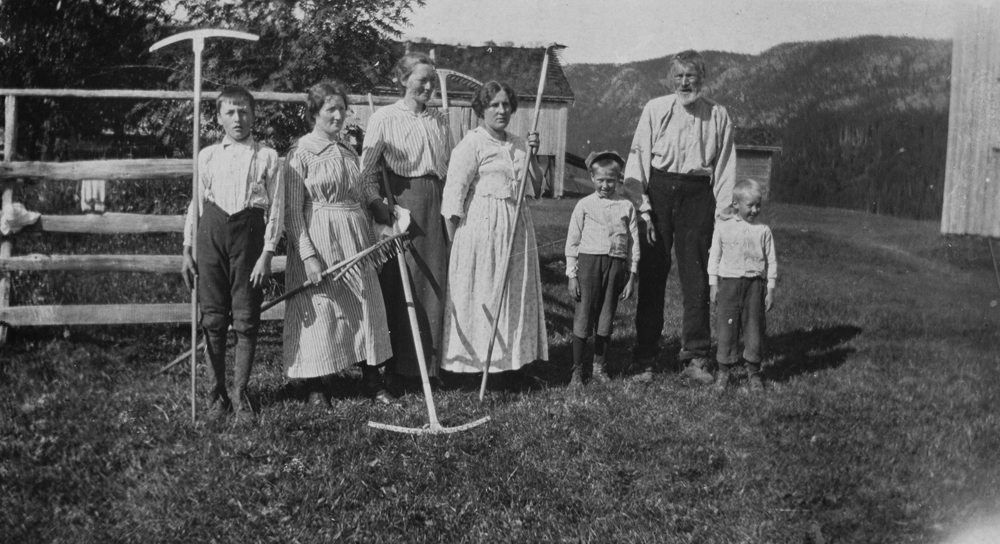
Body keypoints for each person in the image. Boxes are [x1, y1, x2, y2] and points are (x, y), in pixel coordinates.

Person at [623, 49, 736, 384]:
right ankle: (644, 355)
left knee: (697, 276)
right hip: (659, 191)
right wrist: (642, 204)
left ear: (702, 79)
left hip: (699, 194)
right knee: (653, 271)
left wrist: (725, 210)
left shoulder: (717, 114)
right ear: (670, 80)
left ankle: (697, 356)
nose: (685, 83)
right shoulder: (655, 109)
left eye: (692, 76)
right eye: (679, 77)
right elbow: (639, 157)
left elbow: (726, 166)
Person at [282, 81, 394, 406]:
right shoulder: (300, 153)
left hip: (355, 239)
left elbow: (360, 194)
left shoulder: (348, 152)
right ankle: (317, 385)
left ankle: (372, 381)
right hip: (319, 239)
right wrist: (308, 256)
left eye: (342, 108)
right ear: (313, 113)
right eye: (330, 108)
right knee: (321, 309)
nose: (338, 114)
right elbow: (291, 211)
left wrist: (378, 210)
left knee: (365, 305)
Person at [180, 85, 284, 422]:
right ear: (219, 118)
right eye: (230, 112)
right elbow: (196, 203)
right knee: (213, 318)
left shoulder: (267, 156)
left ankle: (240, 394)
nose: (238, 118)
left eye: (244, 111)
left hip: (250, 238)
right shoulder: (208, 155)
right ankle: (216, 396)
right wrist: (187, 248)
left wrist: (268, 253)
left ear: (254, 115)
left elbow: (277, 210)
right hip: (211, 235)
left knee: (246, 318)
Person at [440, 81, 548, 375]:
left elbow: (537, 188)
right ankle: (476, 366)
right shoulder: (471, 144)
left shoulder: (518, 143)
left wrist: (533, 154)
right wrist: (456, 246)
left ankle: (511, 363)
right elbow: (452, 198)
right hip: (481, 232)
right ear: (481, 109)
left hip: (516, 228)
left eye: (506, 105)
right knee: (484, 294)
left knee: (513, 294)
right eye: (494, 105)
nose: (502, 110)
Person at [360, 51, 450, 388]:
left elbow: (450, 168)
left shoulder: (439, 119)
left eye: (432, 80)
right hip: (401, 204)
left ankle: (429, 368)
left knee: (435, 283)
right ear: (402, 80)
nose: (428, 86)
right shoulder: (383, 118)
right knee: (404, 284)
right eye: (421, 79)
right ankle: (399, 369)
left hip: (436, 202)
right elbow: (365, 174)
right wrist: (378, 206)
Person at [564, 150, 639, 387]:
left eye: (611, 180)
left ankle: (598, 367)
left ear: (619, 179)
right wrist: (572, 275)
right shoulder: (584, 205)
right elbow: (572, 242)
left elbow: (633, 242)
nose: (605, 185)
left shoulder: (626, 206)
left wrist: (631, 276)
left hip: (616, 266)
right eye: (600, 180)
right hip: (588, 265)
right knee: (584, 314)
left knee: (606, 317)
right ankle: (577, 370)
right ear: (592, 178)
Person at [708, 179, 777, 392]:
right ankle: (723, 372)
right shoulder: (723, 228)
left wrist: (771, 288)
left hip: (755, 286)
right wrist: (713, 284)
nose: (755, 210)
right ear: (736, 204)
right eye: (751, 205)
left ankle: (754, 373)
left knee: (753, 328)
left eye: (758, 205)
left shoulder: (763, 231)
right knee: (727, 329)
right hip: (729, 285)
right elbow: (715, 257)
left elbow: (771, 260)